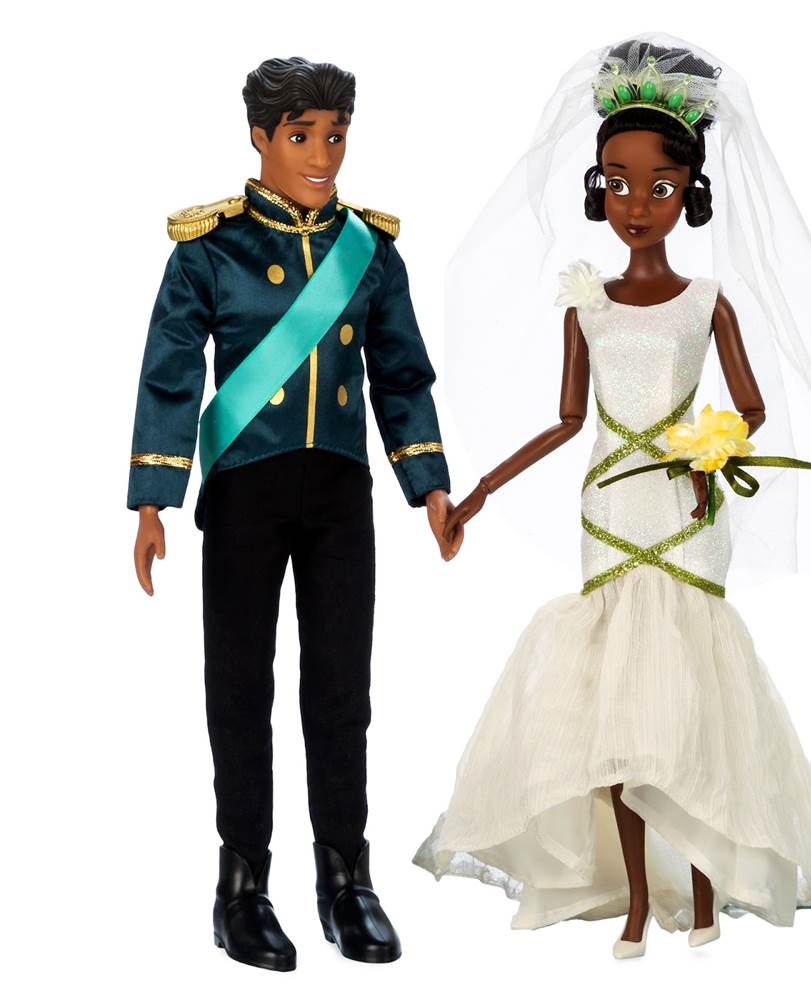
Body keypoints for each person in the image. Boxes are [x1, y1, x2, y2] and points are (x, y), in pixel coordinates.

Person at [414, 36, 811, 956]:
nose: (636, 205)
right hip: (611, 508)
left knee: (686, 702)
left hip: (686, 514)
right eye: (617, 184)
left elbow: (752, 406)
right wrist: (478, 493)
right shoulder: (587, 305)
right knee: (616, 712)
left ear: (690, 192)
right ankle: (640, 902)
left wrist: (711, 455)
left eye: (658, 186)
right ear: (596, 189)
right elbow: (568, 421)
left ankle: (706, 891)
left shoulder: (707, 301)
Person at [128, 56, 460, 971]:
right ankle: (241, 887)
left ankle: (345, 880)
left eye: (336, 135)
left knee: (341, 691)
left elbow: (401, 375)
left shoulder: (370, 251)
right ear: (261, 138)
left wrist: (430, 484)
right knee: (240, 689)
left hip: (340, 495)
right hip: (245, 490)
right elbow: (169, 372)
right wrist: (154, 499)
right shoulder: (210, 249)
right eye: (303, 135)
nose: (322, 155)